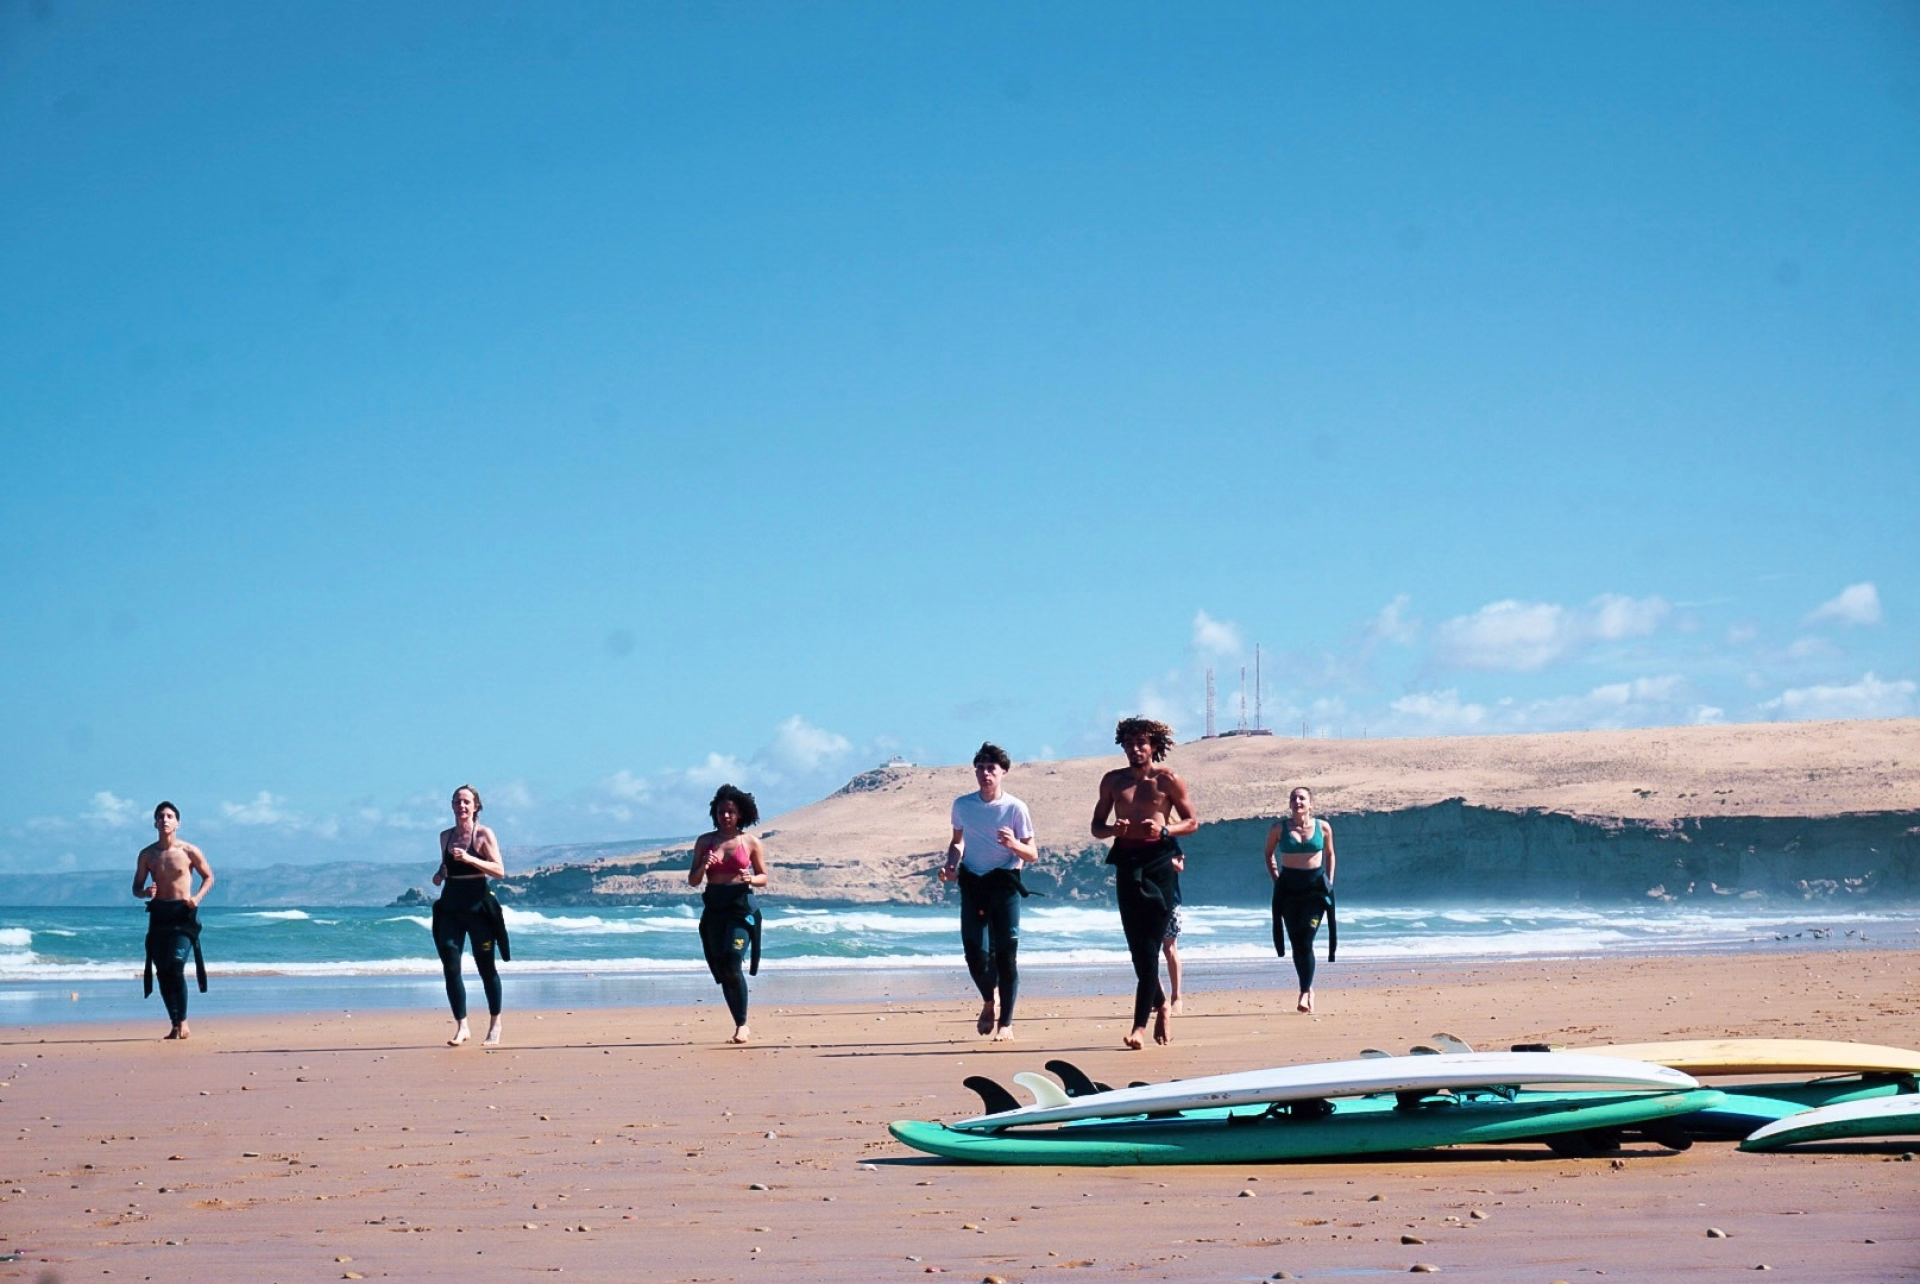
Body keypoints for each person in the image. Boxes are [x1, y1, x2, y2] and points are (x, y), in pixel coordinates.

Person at [1091, 717, 1198, 1048]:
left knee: (1152, 947)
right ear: (1122, 745)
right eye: (1129, 743)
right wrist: (1113, 831)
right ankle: (1161, 1002)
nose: (1135, 749)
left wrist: (1165, 830)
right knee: (1139, 950)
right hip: (1126, 862)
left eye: (1142, 743)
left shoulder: (1168, 780)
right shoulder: (1112, 781)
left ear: (1154, 746)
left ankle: (1139, 1025)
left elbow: (1192, 822)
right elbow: (1097, 826)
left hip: (1159, 864)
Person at [939, 742, 1039, 1041]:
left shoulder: (1015, 808)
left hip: (1004, 884)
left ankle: (1006, 1024)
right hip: (973, 883)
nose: (985, 773)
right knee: (976, 955)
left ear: (1003, 773)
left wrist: (1013, 845)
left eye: (991, 768)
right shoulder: (963, 805)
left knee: (1007, 957)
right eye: (980, 768)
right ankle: (988, 1001)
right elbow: (957, 842)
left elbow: (1032, 852)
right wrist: (951, 865)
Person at [688, 784, 768, 1044]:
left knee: (734, 959)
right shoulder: (705, 841)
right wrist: (703, 864)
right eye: (721, 811)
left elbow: (763, 877)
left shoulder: (751, 842)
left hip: (741, 908)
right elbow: (693, 880)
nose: (725, 816)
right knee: (724, 968)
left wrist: (750, 878)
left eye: (731, 812)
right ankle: (738, 1022)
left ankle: (742, 1025)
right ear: (715, 813)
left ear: (740, 814)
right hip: (714, 908)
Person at [432, 784, 509, 1047]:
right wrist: (441, 874)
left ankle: (494, 1023)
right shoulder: (445, 836)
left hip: (478, 907)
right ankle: (462, 1026)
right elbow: (445, 864)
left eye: (466, 802)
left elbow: (499, 870)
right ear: (452, 805)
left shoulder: (483, 834)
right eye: (457, 801)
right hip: (451, 906)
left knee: (485, 966)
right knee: (450, 964)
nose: (461, 806)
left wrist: (469, 859)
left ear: (476, 806)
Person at [131, 801, 215, 1041]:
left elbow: (208, 877)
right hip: (159, 914)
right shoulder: (147, 855)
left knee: (176, 966)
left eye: (169, 816)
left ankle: (184, 1021)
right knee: (162, 971)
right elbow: (136, 887)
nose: (165, 820)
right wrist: (145, 893)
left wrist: (197, 898)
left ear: (177, 822)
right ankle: (174, 1023)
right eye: (160, 816)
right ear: (155, 823)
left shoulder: (189, 851)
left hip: (183, 914)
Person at [1264, 785, 1337, 1014]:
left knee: (1306, 938)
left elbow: (1330, 854)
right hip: (1289, 890)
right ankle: (1307, 988)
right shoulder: (1279, 828)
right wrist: (1277, 878)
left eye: (1302, 798)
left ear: (1310, 803)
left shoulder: (1323, 827)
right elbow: (1268, 854)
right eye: (1293, 798)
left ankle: (1305, 991)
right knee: (1297, 941)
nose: (1297, 801)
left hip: (1315, 890)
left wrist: (1329, 882)